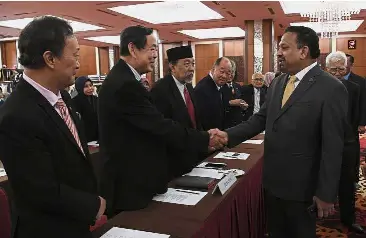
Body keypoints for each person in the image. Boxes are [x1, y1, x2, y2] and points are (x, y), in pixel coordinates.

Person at [212, 26, 348, 238]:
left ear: (303, 51)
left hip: (303, 187)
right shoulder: (278, 82)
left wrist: (326, 193)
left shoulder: (331, 87)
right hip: (273, 182)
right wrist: (229, 135)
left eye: (284, 47)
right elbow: (260, 119)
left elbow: (333, 146)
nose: (278, 53)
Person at [98, 25, 225, 216]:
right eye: (152, 49)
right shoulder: (124, 84)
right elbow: (160, 125)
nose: (155, 55)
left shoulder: (127, 79)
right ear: (133, 49)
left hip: (140, 176)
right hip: (130, 182)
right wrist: (204, 138)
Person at [0, 16, 105, 238]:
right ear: (50, 58)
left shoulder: (62, 96)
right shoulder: (16, 114)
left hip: (75, 224)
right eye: (75, 55)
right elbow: (39, 189)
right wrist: (93, 205)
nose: (78, 64)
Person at [150, 45, 207, 179]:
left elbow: (195, 122)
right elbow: (162, 129)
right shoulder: (160, 90)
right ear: (172, 66)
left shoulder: (189, 87)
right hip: (173, 161)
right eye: (186, 64)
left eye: (193, 64)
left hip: (194, 154)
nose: (192, 68)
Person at [325, 51, 364, 234]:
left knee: (347, 183)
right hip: (322, 143)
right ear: (326, 68)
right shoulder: (316, 87)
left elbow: (355, 117)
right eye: (333, 69)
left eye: (341, 68)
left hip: (347, 143)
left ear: (346, 68)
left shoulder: (355, 88)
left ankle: (348, 219)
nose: (337, 73)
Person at [193, 57, 233, 130]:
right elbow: (200, 120)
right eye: (222, 71)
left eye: (228, 73)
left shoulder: (223, 87)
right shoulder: (202, 89)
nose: (224, 76)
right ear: (213, 69)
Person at [222, 59, 247, 128]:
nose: (231, 75)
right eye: (228, 72)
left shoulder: (237, 86)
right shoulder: (219, 87)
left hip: (238, 124)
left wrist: (244, 106)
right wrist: (230, 102)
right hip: (224, 124)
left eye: (233, 72)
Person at [72, 76, 99, 142]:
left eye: (91, 85)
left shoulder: (96, 99)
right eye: (86, 86)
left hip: (97, 135)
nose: (90, 88)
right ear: (79, 87)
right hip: (85, 137)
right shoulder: (75, 102)